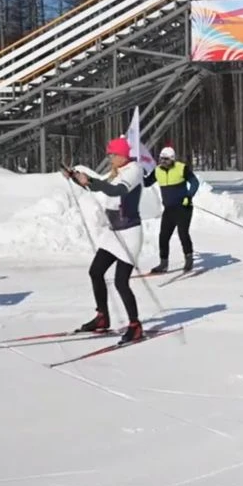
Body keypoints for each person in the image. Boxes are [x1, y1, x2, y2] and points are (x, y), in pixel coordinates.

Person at [67, 137, 146, 344]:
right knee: (96, 271)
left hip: (129, 232)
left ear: (122, 155)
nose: (110, 158)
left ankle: (135, 326)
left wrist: (91, 181)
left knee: (121, 282)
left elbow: (117, 190)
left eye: (113, 154)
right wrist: (77, 178)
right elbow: (98, 186)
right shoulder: (116, 172)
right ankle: (102, 316)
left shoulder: (134, 170)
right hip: (113, 233)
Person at [144, 146, 200, 273]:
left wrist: (189, 196)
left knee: (183, 233)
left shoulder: (181, 168)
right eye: (161, 159)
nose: (163, 162)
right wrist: (138, 175)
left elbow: (195, 182)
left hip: (183, 207)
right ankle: (163, 263)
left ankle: (189, 259)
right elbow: (147, 183)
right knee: (163, 236)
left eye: (166, 159)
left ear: (172, 159)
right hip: (169, 209)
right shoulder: (158, 171)